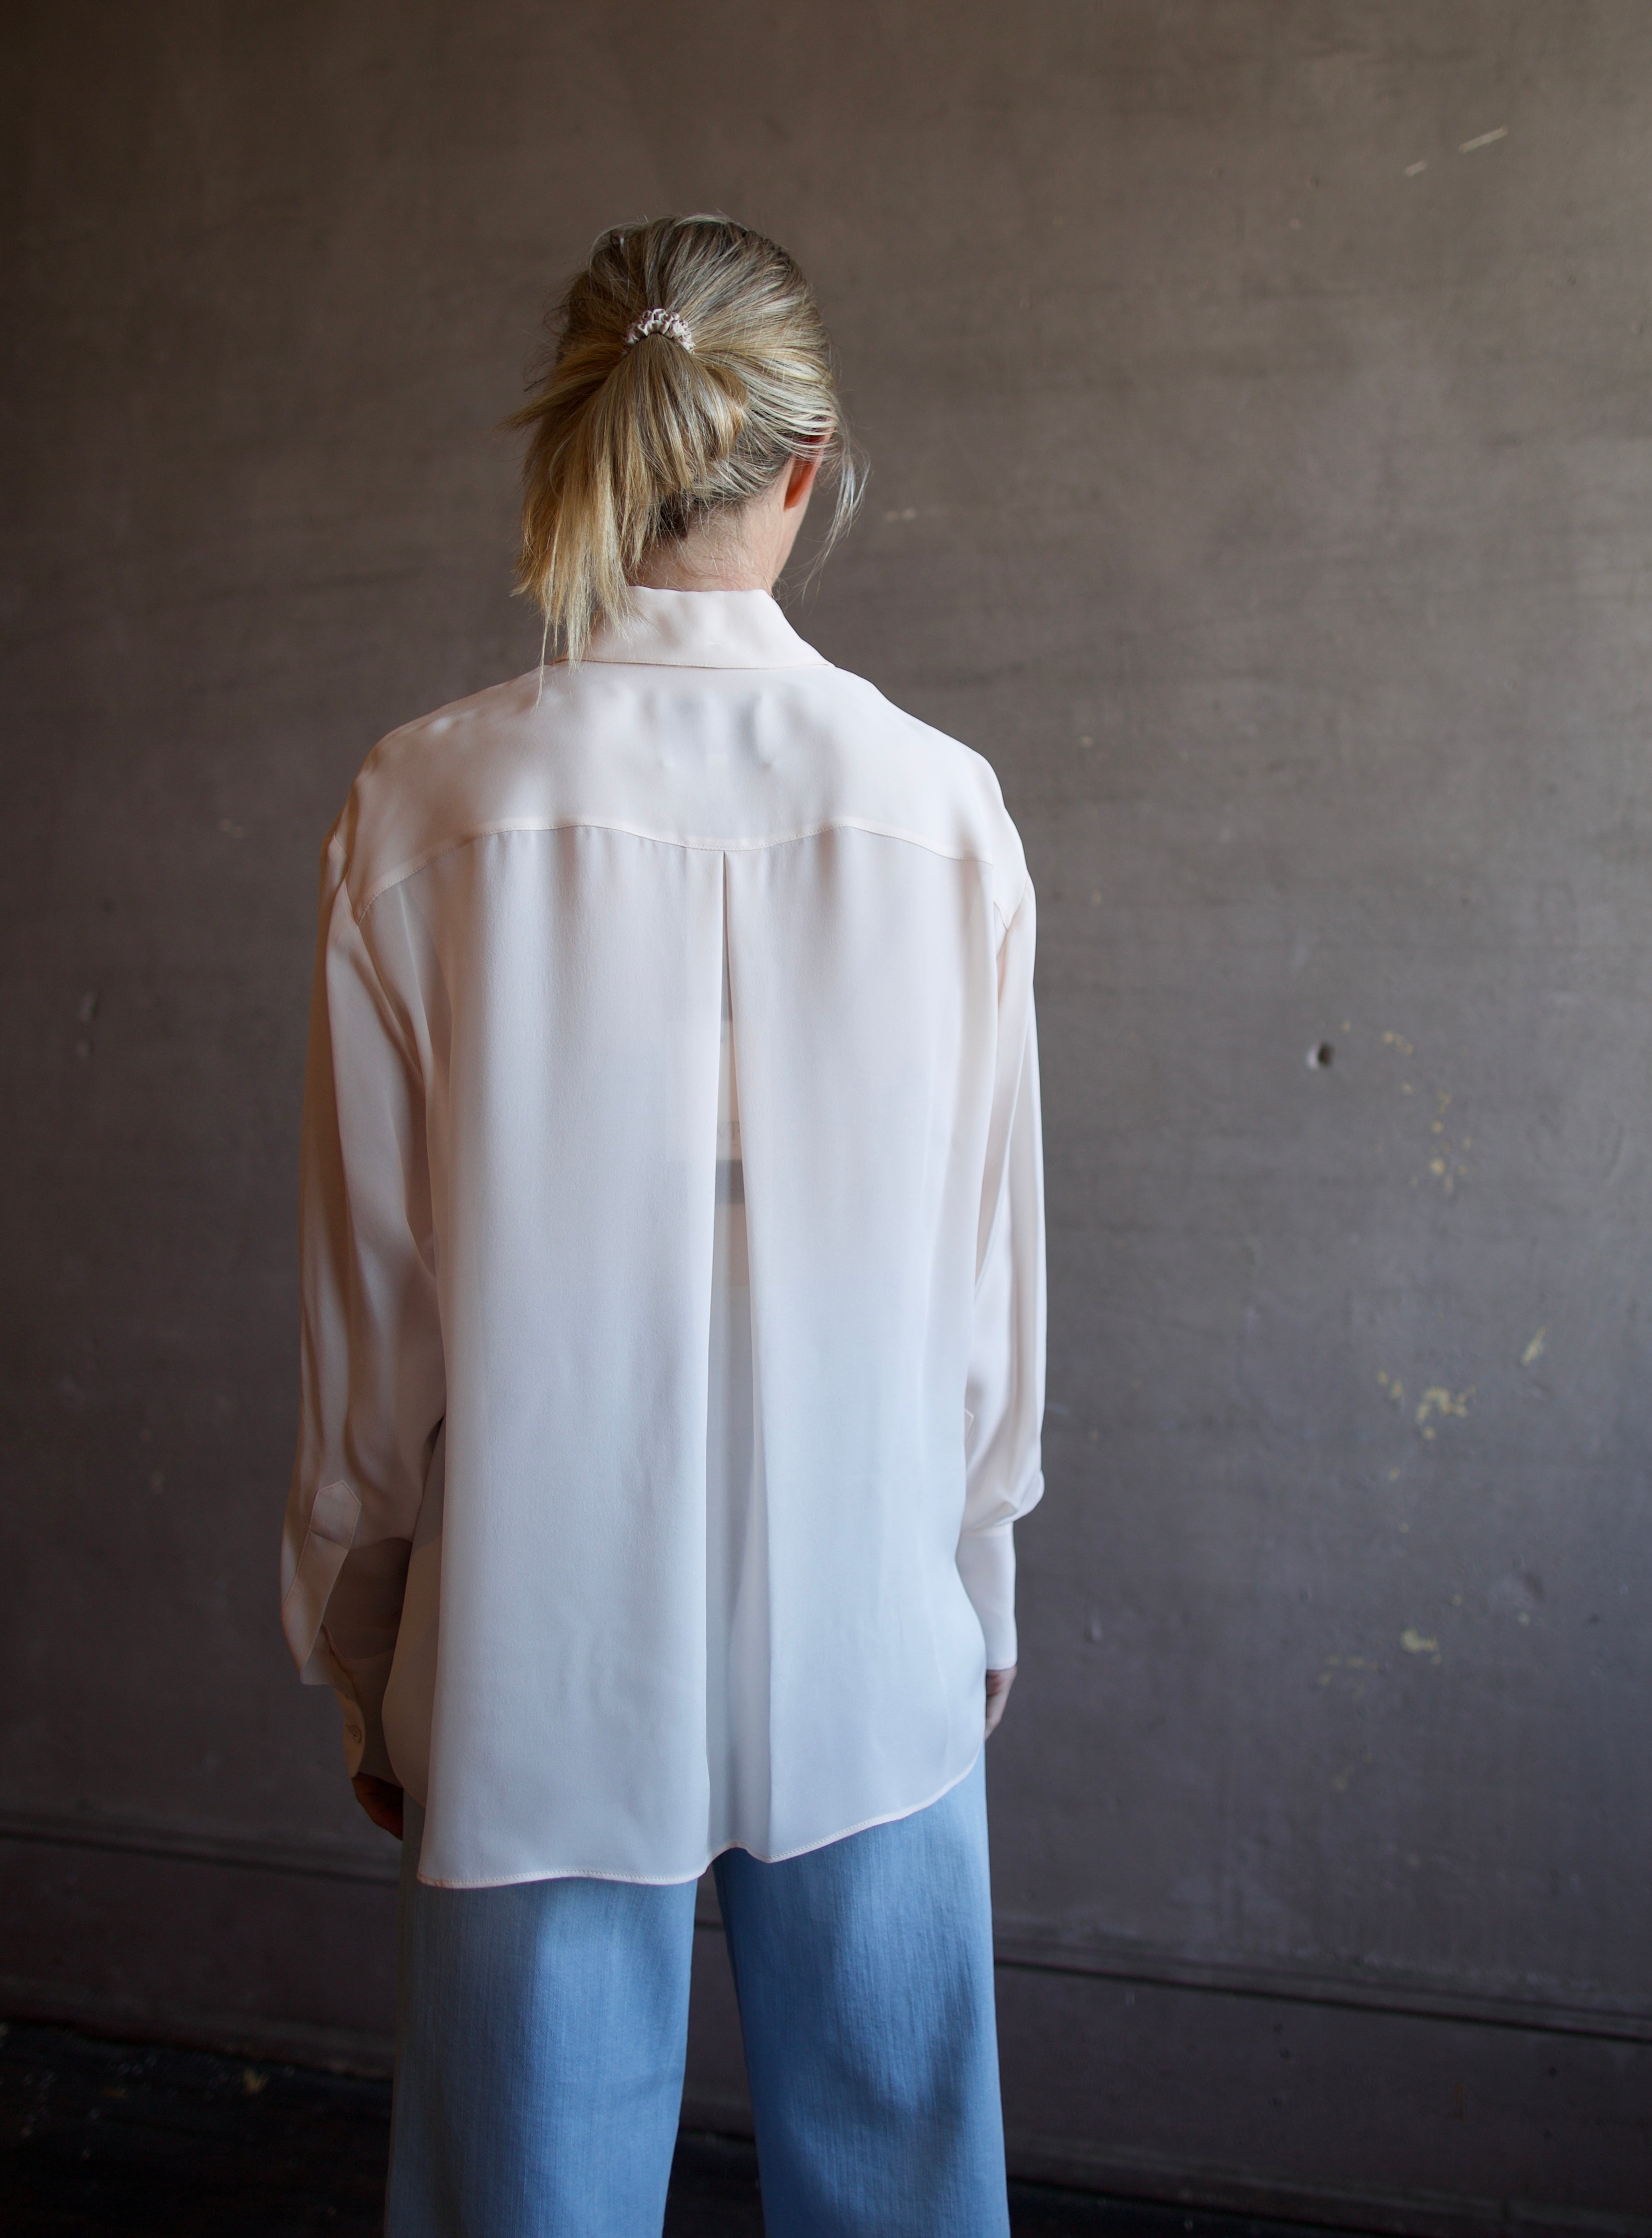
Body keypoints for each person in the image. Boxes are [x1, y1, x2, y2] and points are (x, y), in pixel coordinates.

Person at [280, 214, 1045, 2238]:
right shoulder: (941, 810)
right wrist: (975, 1585)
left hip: (538, 1634)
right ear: (802, 468)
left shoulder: (420, 809)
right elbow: (989, 1300)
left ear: (589, 453)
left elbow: (376, 1329)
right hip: (873, 1619)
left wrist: (367, 1651)